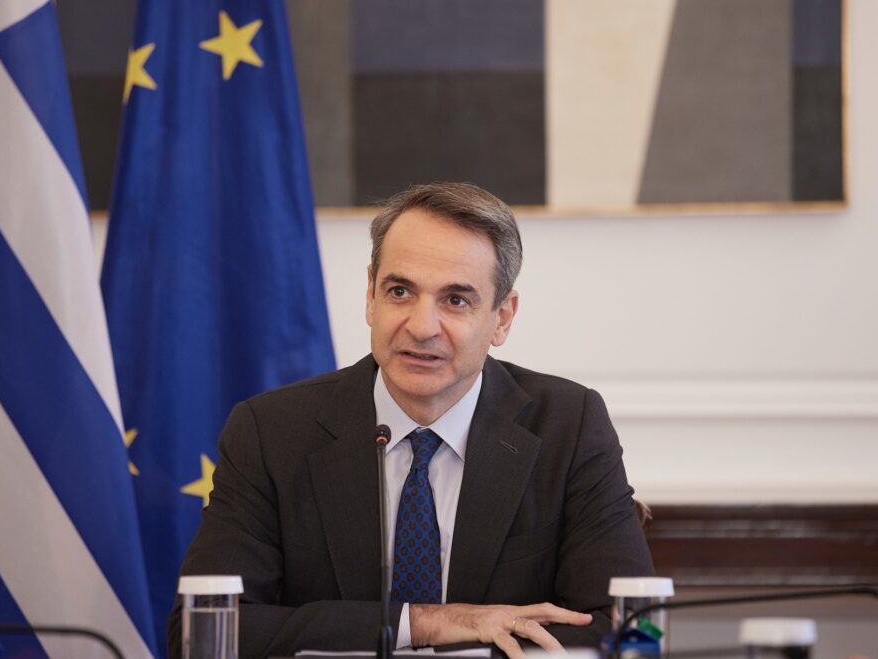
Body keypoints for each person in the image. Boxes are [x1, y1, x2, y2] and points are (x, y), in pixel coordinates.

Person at [167, 182, 654, 659]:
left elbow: (630, 628)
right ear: (370, 297)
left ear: (502, 317)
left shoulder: (568, 427)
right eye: (400, 291)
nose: (421, 327)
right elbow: (207, 629)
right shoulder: (271, 432)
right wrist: (424, 623)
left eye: (456, 300)